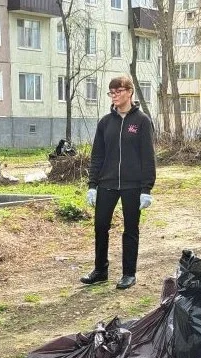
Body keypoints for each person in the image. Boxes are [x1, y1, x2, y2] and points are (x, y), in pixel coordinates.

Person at [82, 75, 157, 290]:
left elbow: (148, 157)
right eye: (111, 92)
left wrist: (146, 188)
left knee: (130, 229)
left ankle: (128, 274)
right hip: (107, 183)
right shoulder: (105, 123)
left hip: (133, 185)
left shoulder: (142, 121)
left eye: (119, 91)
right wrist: (92, 185)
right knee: (100, 227)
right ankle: (100, 270)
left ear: (130, 92)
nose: (114, 95)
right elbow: (97, 156)